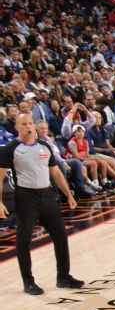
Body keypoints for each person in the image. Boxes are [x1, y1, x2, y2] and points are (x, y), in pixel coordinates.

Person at [1, 113, 83, 295]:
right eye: (24, 124)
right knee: (24, 239)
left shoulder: (44, 146)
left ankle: (63, 276)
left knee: (60, 234)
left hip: (47, 195)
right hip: (25, 197)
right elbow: (0, 176)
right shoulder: (11, 148)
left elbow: (56, 172)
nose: (28, 126)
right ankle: (28, 282)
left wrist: (68, 194)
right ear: (17, 127)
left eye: (30, 123)